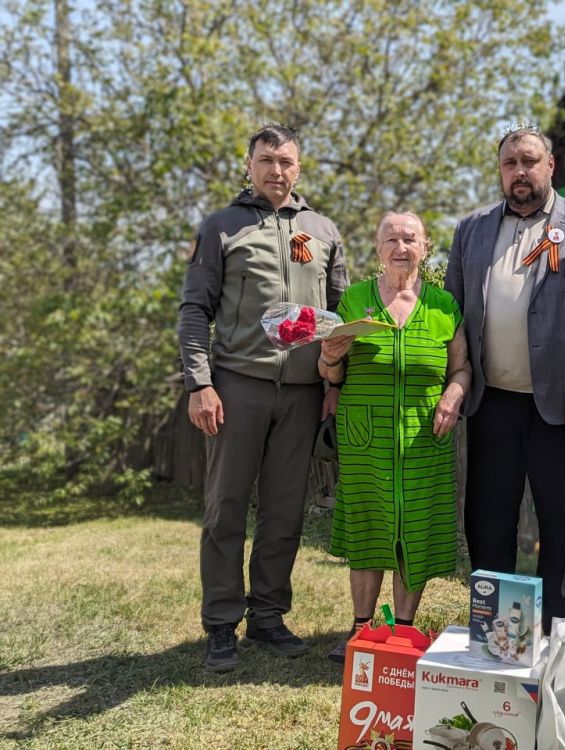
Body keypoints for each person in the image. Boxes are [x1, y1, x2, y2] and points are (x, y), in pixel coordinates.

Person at [178, 124, 348, 672]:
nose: (278, 170)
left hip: (302, 394)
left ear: (300, 168)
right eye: (267, 160)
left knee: (283, 511)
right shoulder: (222, 227)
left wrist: (333, 386)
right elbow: (195, 311)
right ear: (249, 165)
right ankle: (221, 624)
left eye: (287, 161)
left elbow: (341, 320)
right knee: (225, 507)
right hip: (236, 387)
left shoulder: (322, 230)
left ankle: (269, 616)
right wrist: (200, 383)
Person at [445, 126, 565, 633]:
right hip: (491, 401)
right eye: (509, 164)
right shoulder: (472, 229)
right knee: (488, 519)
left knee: (560, 523)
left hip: (563, 404)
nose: (519, 172)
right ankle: (495, 631)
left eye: (529, 161)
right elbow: (454, 316)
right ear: (500, 172)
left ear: (550, 166)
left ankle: (558, 633)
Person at [322, 212, 471, 662]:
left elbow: (461, 365)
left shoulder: (444, 305)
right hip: (366, 435)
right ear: (377, 246)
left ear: (426, 248)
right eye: (392, 239)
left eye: (410, 239)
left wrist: (454, 393)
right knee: (369, 525)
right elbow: (330, 373)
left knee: (417, 529)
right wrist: (330, 357)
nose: (401, 247)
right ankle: (361, 629)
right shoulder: (354, 300)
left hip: (427, 433)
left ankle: (402, 631)